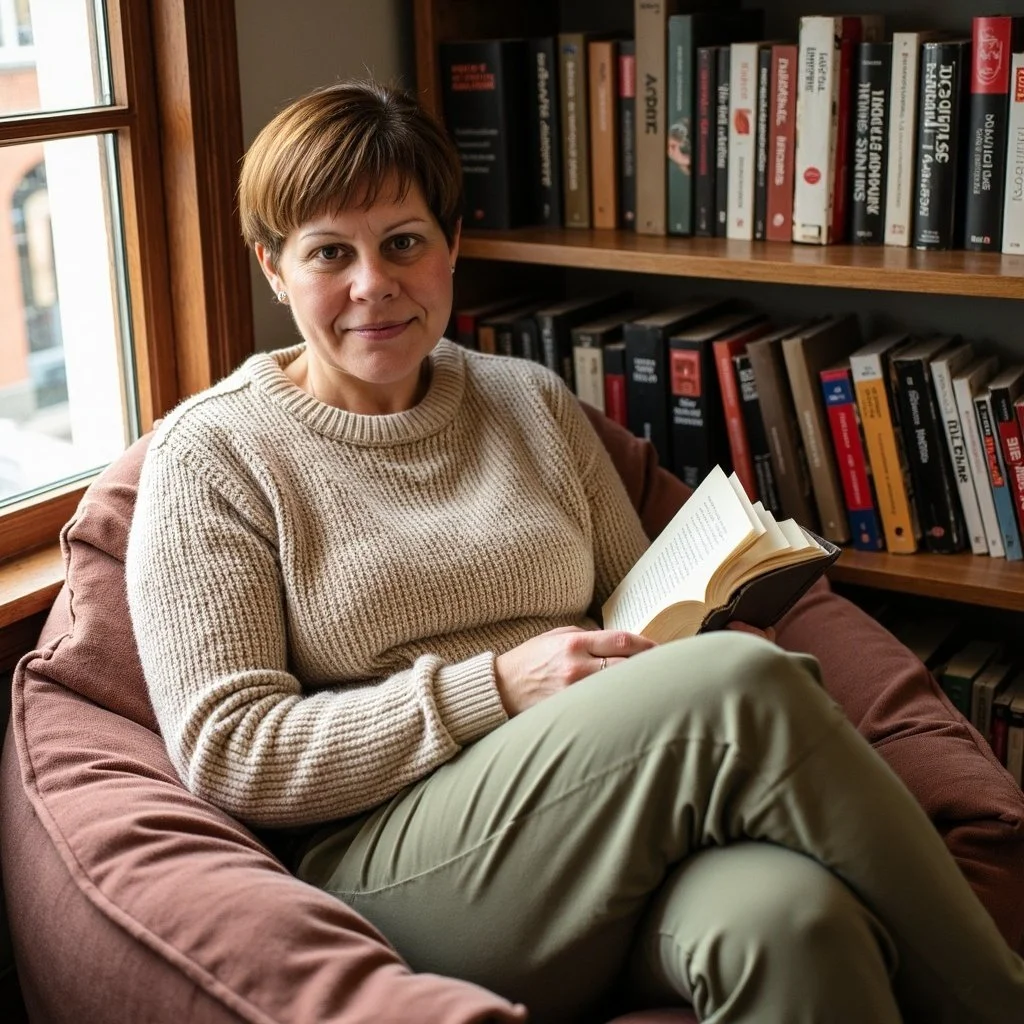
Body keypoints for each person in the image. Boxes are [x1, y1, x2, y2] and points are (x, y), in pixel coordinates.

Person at [125, 79, 1024, 1024]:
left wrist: (696, 635)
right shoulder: (212, 453)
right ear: (273, 267)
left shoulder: (528, 399)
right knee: (741, 686)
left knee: (795, 922)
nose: (372, 283)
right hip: (396, 865)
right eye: (329, 253)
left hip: (605, 820)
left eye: (404, 242)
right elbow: (229, 750)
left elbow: (638, 608)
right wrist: (494, 688)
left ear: (452, 244)